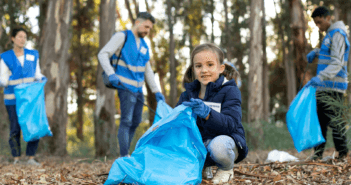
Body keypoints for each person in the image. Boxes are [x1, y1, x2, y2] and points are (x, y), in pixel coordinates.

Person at [176, 43, 248, 184]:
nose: (204, 70)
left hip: (227, 143)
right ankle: (203, 167)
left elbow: (231, 124)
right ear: (193, 69)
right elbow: (179, 127)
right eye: (198, 66)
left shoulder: (230, 91)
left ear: (221, 68)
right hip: (200, 144)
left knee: (218, 146)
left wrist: (208, 113)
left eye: (210, 65)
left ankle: (226, 168)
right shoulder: (187, 95)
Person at [98, 12, 165, 157]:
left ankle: (127, 153)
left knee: (136, 121)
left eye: (150, 28)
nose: (147, 31)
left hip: (138, 89)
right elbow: (102, 54)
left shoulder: (145, 46)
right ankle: (124, 157)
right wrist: (111, 74)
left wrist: (156, 91)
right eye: (146, 26)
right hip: (124, 87)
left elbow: (148, 70)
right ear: (137, 22)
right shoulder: (122, 37)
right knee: (126, 120)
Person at [305, 6, 350, 160]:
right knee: (320, 122)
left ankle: (343, 154)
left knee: (335, 121)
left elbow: (337, 61)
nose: (318, 26)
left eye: (319, 22)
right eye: (316, 23)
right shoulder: (329, 35)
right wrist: (317, 52)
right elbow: (329, 54)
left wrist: (321, 76)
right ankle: (318, 154)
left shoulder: (337, 34)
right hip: (324, 86)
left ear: (328, 18)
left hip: (333, 86)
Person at [0, 27, 46, 165]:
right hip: (12, 99)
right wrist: (8, 81)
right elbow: (2, 78)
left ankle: (31, 157)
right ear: (13, 38)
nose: (22, 39)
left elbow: (37, 74)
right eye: (19, 36)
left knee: (33, 126)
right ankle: (16, 159)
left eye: (25, 37)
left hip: (30, 99)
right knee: (15, 128)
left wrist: (42, 78)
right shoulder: (6, 57)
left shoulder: (33, 54)